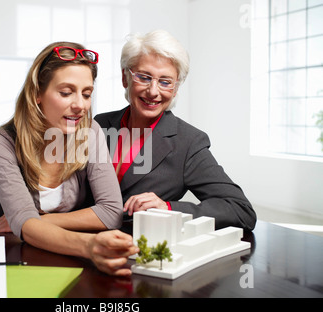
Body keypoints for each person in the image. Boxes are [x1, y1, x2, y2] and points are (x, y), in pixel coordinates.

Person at [0, 42, 138, 276]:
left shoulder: (91, 131)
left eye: (86, 94)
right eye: (66, 93)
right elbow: (24, 227)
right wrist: (88, 244)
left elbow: (111, 212)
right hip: (23, 262)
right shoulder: (1, 143)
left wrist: (31, 222)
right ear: (37, 93)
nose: (80, 106)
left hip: (72, 264)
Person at [94, 30, 256, 232]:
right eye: (144, 77)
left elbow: (241, 210)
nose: (153, 91)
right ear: (125, 77)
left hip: (135, 253)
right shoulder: (99, 124)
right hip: (77, 242)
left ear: (176, 88)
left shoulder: (188, 142)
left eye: (165, 82)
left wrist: (167, 208)